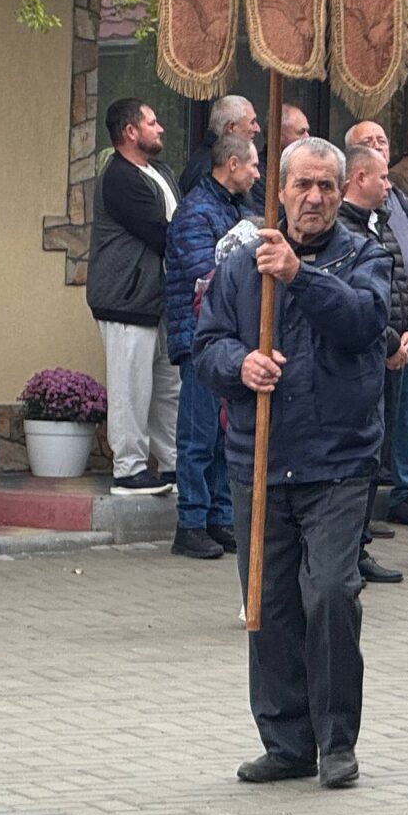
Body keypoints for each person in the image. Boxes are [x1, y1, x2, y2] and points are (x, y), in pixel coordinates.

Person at [192, 137, 391, 787]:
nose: (313, 197)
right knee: (269, 603)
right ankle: (286, 740)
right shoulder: (240, 265)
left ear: (342, 192)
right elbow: (207, 346)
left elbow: (363, 322)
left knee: (330, 593)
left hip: (338, 459)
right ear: (278, 191)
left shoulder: (364, 256)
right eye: (302, 184)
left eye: (326, 186)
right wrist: (240, 364)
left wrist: (300, 276)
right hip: (259, 457)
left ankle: (336, 742)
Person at [163, 131, 259, 559]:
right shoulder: (195, 211)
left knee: (224, 434)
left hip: (228, 338)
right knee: (198, 433)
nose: (258, 174)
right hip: (199, 337)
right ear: (232, 164)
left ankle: (220, 517)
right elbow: (203, 272)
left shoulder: (234, 207)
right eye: (253, 165)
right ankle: (190, 523)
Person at [339, 144, 408, 587]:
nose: (389, 186)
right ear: (358, 178)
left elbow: (401, 285)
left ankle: (360, 547)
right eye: (382, 178)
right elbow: (356, 299)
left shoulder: (383, 222)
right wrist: (392, 341)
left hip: (394, 351)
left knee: (376, 450)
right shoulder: (341, 229)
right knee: (358, 452)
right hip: (366, 355)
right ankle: (347, 551)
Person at [89, 98, 181, 497]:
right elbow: (160, 233)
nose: (160, 128)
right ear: (130, 131)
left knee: (167, 387)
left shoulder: (161, 172)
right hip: (126, 298)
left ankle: (175, 464)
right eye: (152, 122)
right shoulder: (119, 178)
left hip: (160, 299)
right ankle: (129, 470)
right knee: (131, 387)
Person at [179, 93, 264, 213]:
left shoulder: (206, 162)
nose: (257, 129)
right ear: (231, 127)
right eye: (252, 122)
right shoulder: (205, 170)